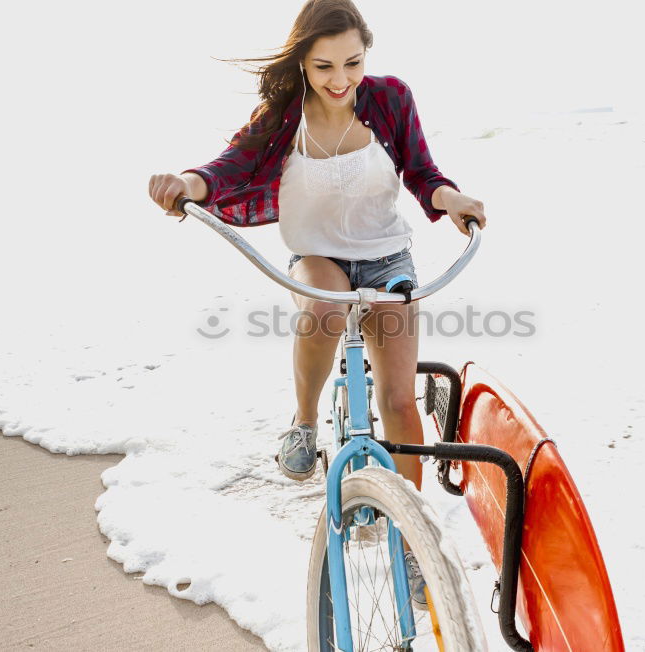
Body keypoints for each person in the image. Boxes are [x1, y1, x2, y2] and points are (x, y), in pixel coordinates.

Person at [148, 0, 486, 500]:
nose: (340, 80)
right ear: (303, 62)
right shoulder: (284, 114)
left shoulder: (390, 98)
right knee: (326, 307)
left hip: (387, 258)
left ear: (366, 54)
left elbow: (420, 172)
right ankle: (304, 422)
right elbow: (229, 168)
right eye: (324, 66)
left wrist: (450, 199)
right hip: (316, 257)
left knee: (397, 396)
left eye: (353, 63)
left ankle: (415, 529)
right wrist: (186, 183)